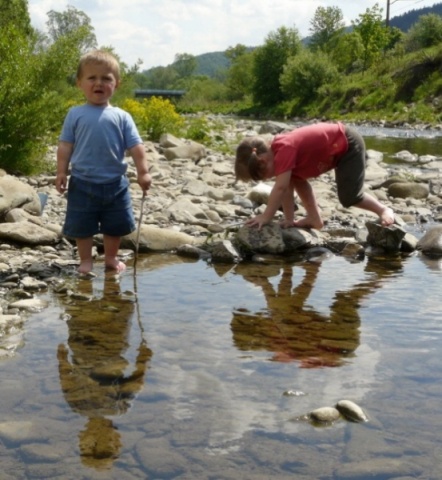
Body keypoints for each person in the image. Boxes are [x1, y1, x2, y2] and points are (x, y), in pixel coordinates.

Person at [56, 50, 152, 274]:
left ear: (116, 84)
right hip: (82, 181)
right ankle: (86, 261)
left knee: (114, 225)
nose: (98, 83)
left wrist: (143, 172)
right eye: (92, 78)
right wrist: (61, 172)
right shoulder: (75, 114)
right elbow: (65, 146)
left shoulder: (122, 116)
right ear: (80, 83)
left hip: (115, 184)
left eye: (106, 78)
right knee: (82, 226)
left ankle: (110, 258)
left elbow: (137, 147)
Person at [235, 122, 395, 230]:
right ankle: (314, 219)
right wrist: (289, 220)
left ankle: (383, 209)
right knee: (296, 180)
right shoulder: (278, 154)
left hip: (347, 144)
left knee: (349, 196)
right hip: (336, 149)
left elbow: (281, 188)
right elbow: (288, 189)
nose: (269, 179)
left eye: (264, 176)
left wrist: (266, 216)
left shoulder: (284, 149)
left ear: (263, 161)